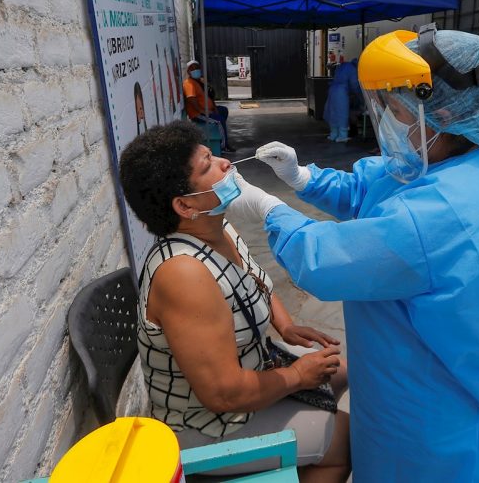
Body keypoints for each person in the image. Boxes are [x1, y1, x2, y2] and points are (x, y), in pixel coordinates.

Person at [225, 25, 479, 482]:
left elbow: (325, 260)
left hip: (420, 399)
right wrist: (303, 178)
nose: (388, 122)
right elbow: (371, 188)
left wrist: (269, 209)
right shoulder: (466, 161)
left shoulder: (439, 215)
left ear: (441, 112)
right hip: (404, 362)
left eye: (395, 111)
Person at [118, 121, 350, 482]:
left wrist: (285, 325)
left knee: (345, 370)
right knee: (345, 441)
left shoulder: (218, 227)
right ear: (184, 205)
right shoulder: (185, 275)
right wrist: (295, 375)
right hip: (208, 426)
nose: (226, 164)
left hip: (252, 372)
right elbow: (224, 395)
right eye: (208, 164)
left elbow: (255, 281)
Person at [183, 60, 234, 151]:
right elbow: (191, 99)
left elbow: (209, 96)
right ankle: (223, 146)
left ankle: (221, 133)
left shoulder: (199, 82)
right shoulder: (189, 83)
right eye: (192, 69)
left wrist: (214, 108)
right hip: (198, 113)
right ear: (188, 72)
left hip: (208, 109)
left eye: (197, 68)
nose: (195, 70)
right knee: (219, 121)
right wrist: (202, 111)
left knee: (223, 110)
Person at [322, 59, 360, 142]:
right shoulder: (353, 69)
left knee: (333, 113)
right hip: (341, 92)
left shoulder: (342, 66)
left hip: (332, 89)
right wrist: (359, 94)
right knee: (342, 113)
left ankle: (333, 134)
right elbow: (355, 85)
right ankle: (342, 136)